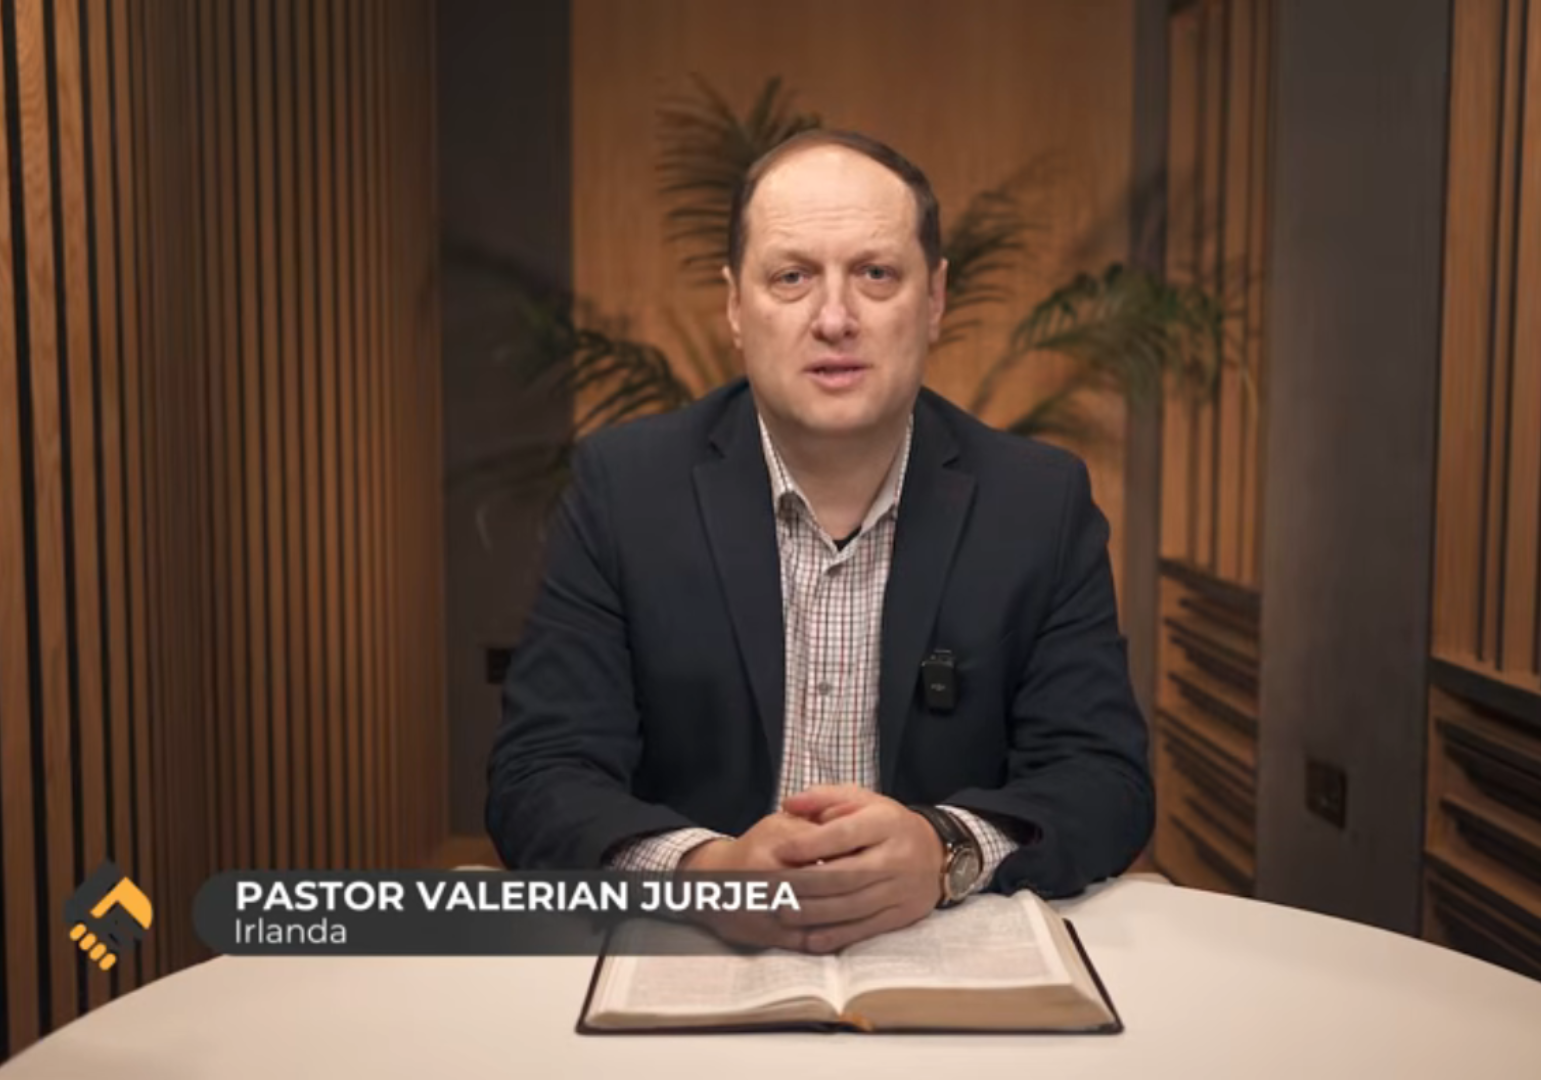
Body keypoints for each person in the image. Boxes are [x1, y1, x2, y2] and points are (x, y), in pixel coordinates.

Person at [486, 129, 1153, 954]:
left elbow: (1103, 779)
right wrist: (704, 872)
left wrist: (945, 850)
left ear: (935, 299)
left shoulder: (1038, 503)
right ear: (736, 306)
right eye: (792, 277)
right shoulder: (623, 491)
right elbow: (539, 776)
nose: (835, 319)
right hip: (694, 957)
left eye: (876, 275)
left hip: (942, 955)